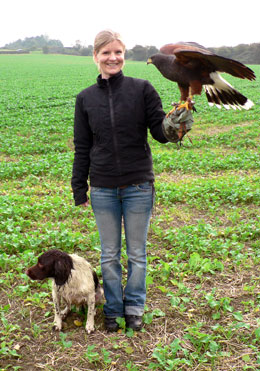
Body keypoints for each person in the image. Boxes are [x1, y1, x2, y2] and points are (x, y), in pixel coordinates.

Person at [71, 30, 189, 332]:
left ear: (125, 55)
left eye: (118, 52)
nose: (113, 58)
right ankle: (112, 309)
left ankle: (134, 306)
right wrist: (79, 187)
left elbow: (159, 133)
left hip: (138, 185)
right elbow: (82, 146)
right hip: (102, 187)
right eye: (106, 53)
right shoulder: (85, 98)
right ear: (95, 57)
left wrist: (175, 128)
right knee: (109, 254)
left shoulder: (142, 89)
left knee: (137, 253)